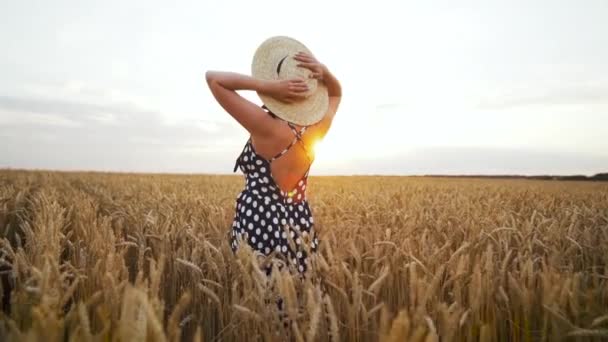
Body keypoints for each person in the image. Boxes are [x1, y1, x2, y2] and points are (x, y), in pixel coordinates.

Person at [206, 36, 342, 277]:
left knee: (258, 295)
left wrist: (266, 87)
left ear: (280, 87)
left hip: (258, 217)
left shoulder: (265, 126)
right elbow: (336, 94)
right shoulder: (319, 127)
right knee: (295, 292)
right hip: (299, 220)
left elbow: (214, 79)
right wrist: (325, 73)